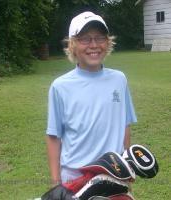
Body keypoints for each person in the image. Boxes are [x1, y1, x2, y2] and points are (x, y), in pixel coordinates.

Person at [46, 11, 137, 186]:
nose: (93, 45)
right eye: (85, 39)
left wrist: (127, 165)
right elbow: (53, 136)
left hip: (114, 174)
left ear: (107, 42)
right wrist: (56, 182)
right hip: (74, 178)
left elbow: (125, 125)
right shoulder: (60, 86)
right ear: (73, 44)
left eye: (100, 38)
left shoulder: (119, 79)